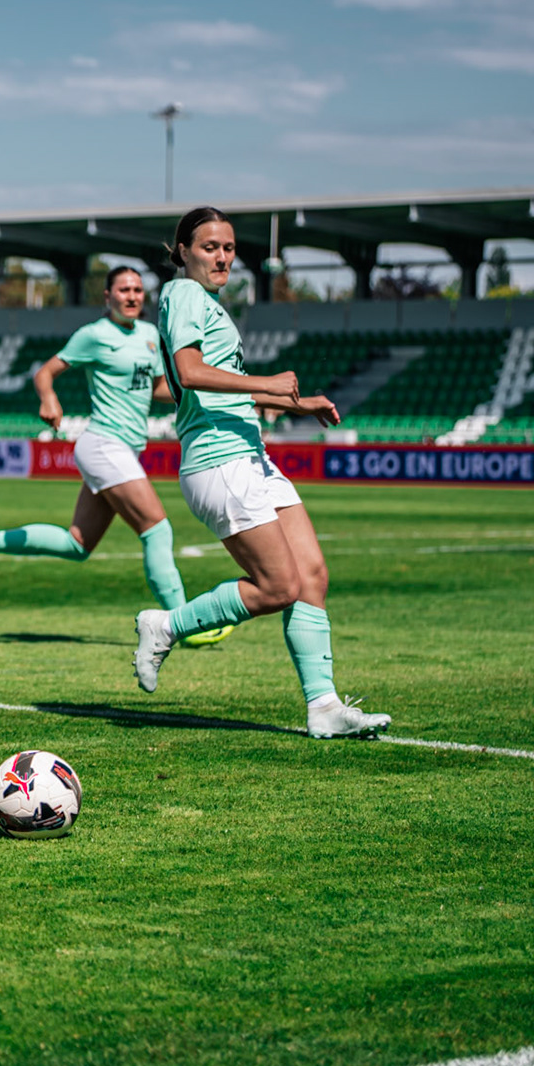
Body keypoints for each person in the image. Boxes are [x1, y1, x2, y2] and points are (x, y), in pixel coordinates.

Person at [132, 207, 392, 739]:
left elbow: (228, 385)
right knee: (278, 586)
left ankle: (323, 707)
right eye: (209, 247)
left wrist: (299, 402)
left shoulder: (209, 305)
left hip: (250, 455)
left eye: (228, 247)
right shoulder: (183, 295)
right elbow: (189, 374)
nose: (222, 256)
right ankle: (166, 625)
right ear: (182, 251)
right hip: (219, 461)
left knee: (312, 575)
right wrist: (270, 384)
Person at [0, 266, 230, 647]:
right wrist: (49, 398)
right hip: (103, 444)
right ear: (107, 296)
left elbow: (157, 387)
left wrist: (193, 391)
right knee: (157, 529)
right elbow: (45, 372)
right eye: (124, 290)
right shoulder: (94, 335)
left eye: (138, 290)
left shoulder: (150, 336)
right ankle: (185, 625)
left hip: (122, 449)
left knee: (77, 544)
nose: (132, 296)